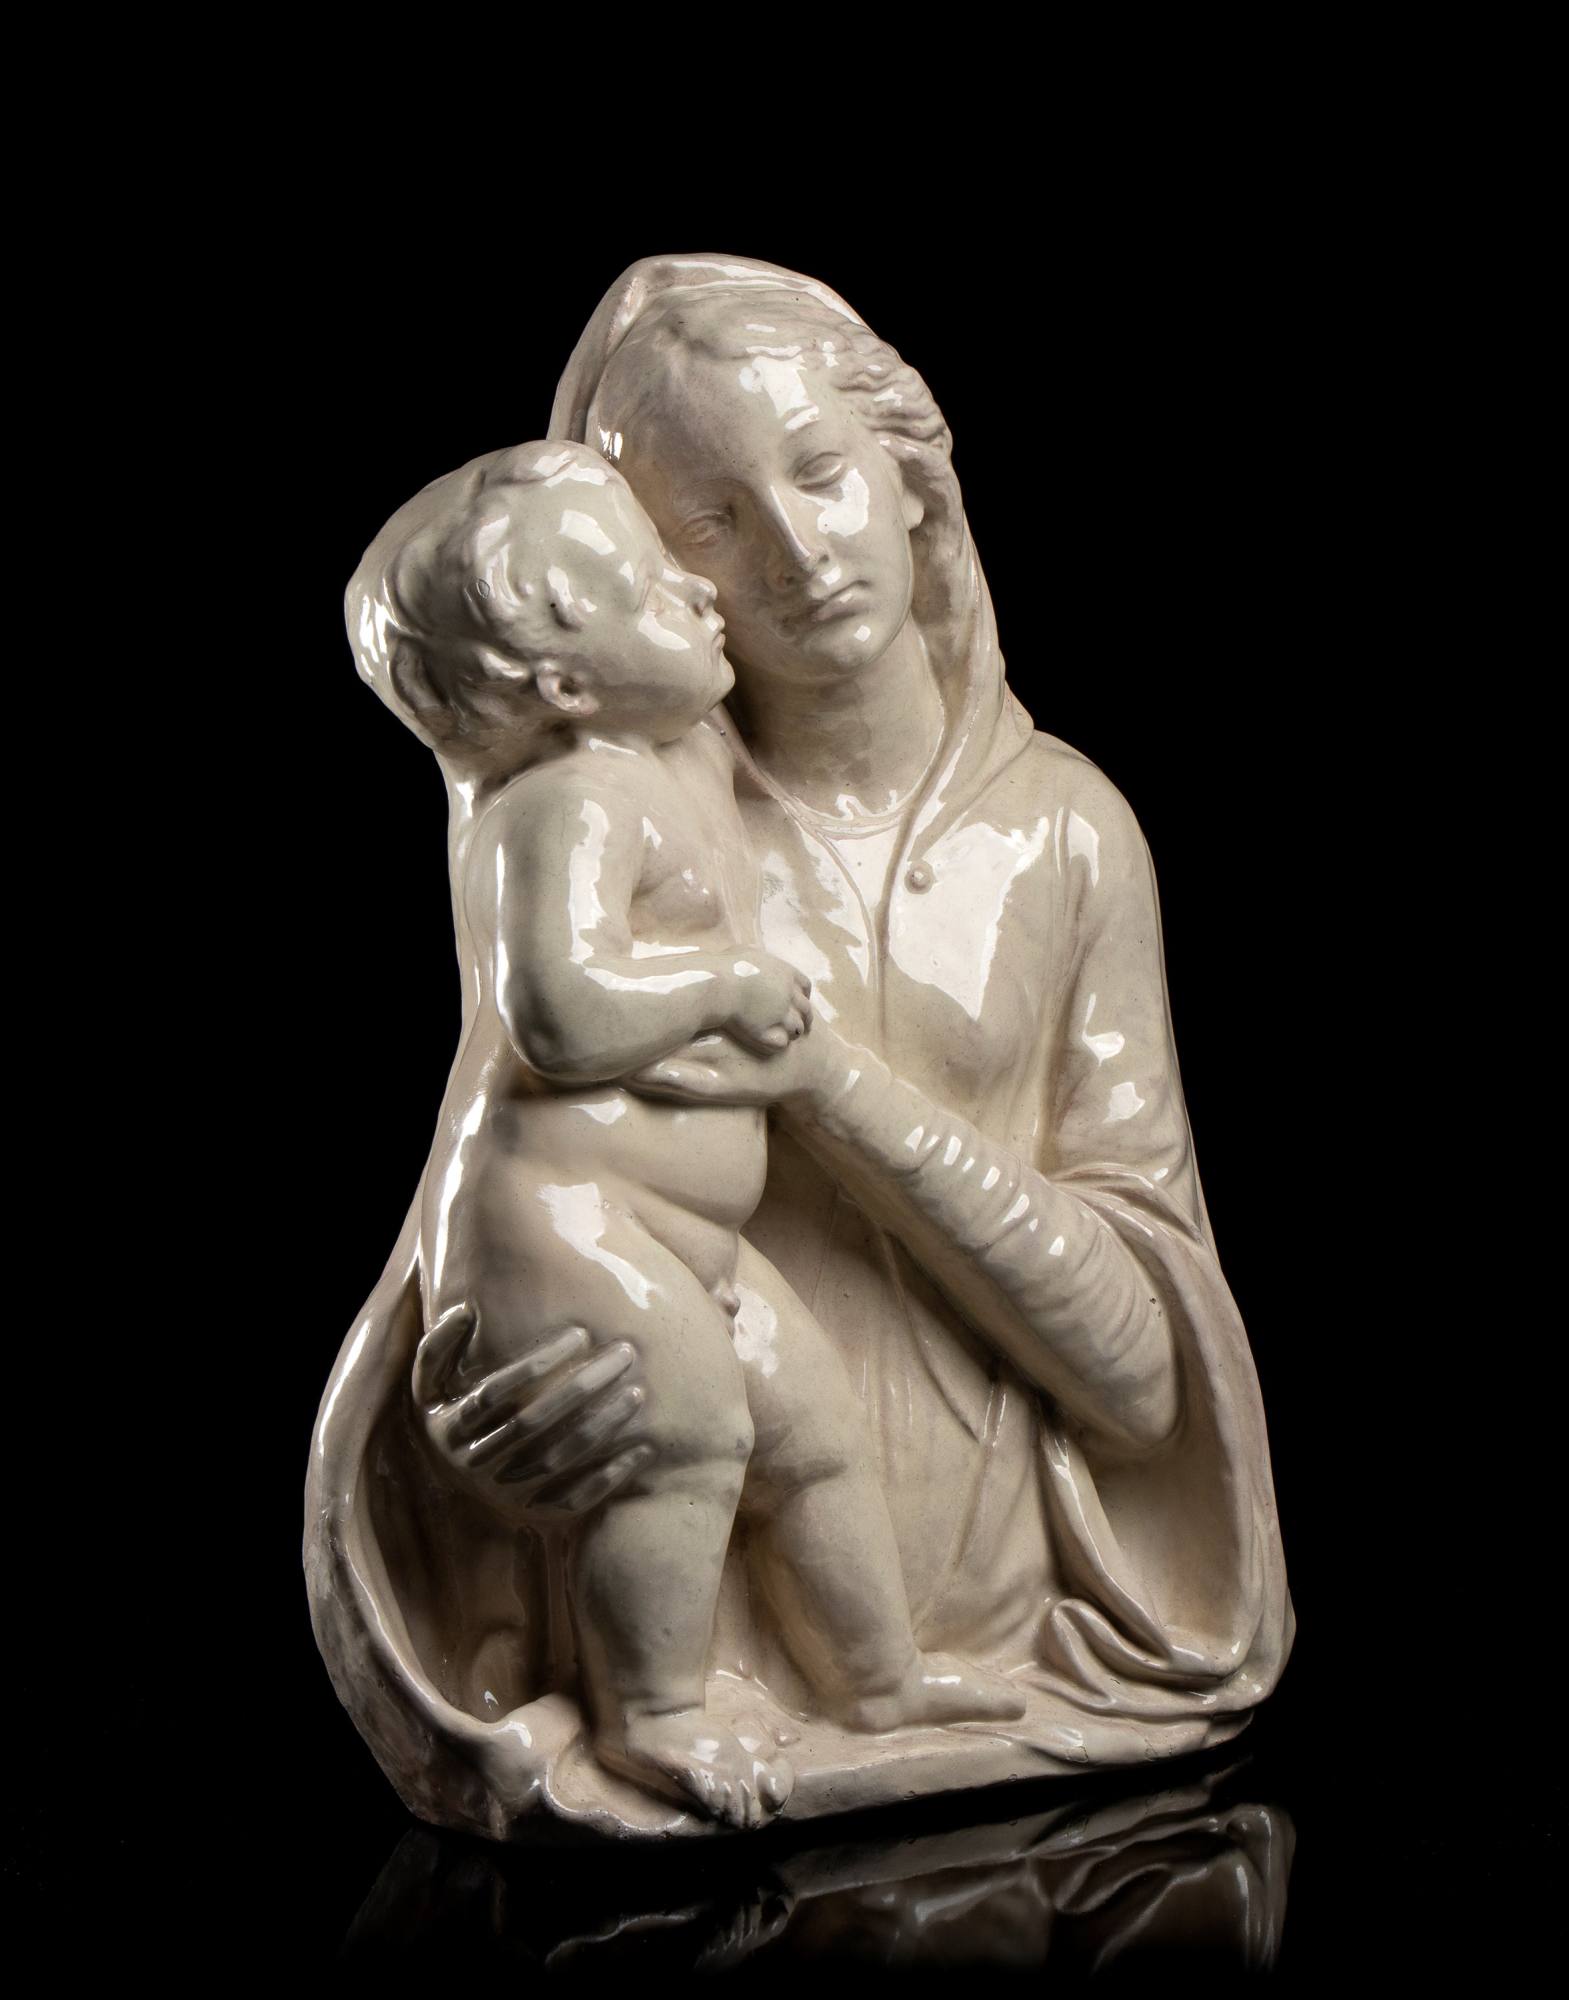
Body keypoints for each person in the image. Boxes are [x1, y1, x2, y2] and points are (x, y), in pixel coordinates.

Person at [305, 256, 1293, 1842]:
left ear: (911, 476)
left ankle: (876, 1677)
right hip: (713, 1616)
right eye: (705, 521)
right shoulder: (625, 824)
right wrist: (465, 1426)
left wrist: (829, 1087)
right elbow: (495, 1199)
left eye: (820, 470)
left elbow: (1141, 1382)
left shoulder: (1062, 838)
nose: (791, 551)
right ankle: (672, 1702)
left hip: (1021, 1642)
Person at [337, 439, 1020, 1828]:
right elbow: (557, 1011)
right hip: (559, 1226)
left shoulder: (677, 749)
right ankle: (652, 1714)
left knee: (811, 1430)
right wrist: (718, 984)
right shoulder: (565, 803)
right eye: (655, 587)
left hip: (672, 1236)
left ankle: (878, 1685)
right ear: (564, 688)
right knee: (690, 1440)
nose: (704, 594)